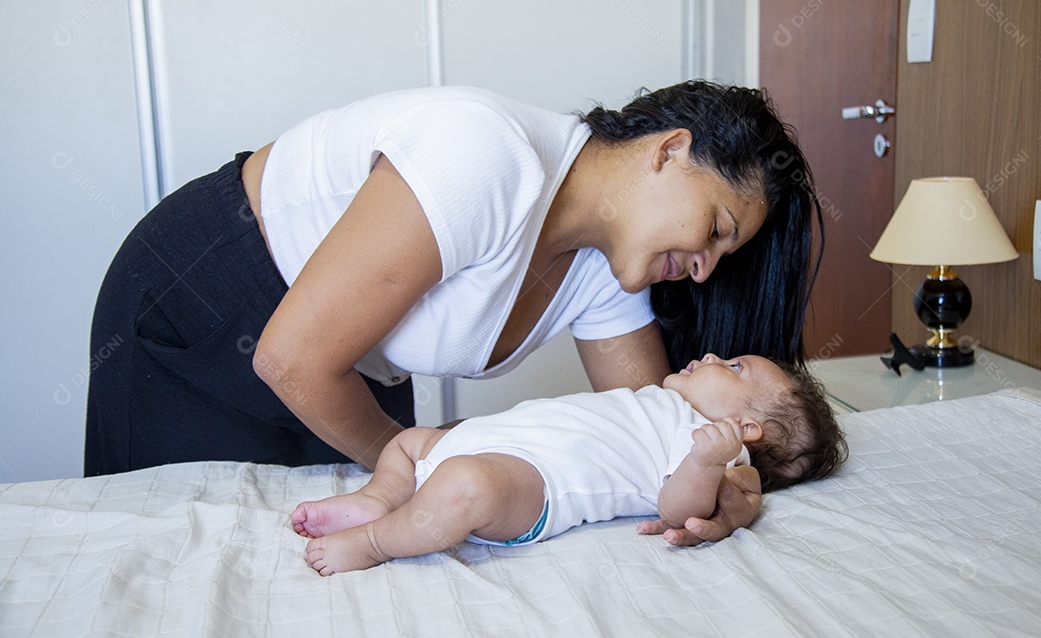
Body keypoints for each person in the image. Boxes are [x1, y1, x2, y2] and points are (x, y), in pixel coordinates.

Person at [84, 82, 822, 483]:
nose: (705, 267)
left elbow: (653, 430)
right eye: (718, 229)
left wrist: (724, 488)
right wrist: (420, 463)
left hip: (346, 366)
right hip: (206, 296)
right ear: (671, 151)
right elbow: (292, 358)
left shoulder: (608, 274)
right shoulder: (485, 154)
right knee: (172, 558)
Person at [291, 353, 847, 575]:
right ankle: (379, 498)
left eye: (734, 367)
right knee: (412, 440)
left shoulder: (712, 448)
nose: (711, 356)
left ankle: (373, 542)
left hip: (535, 486)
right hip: (489, 443)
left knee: (463, 488)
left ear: (746, 429)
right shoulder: (664, 401)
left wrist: (706, 462)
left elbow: (677, 509)